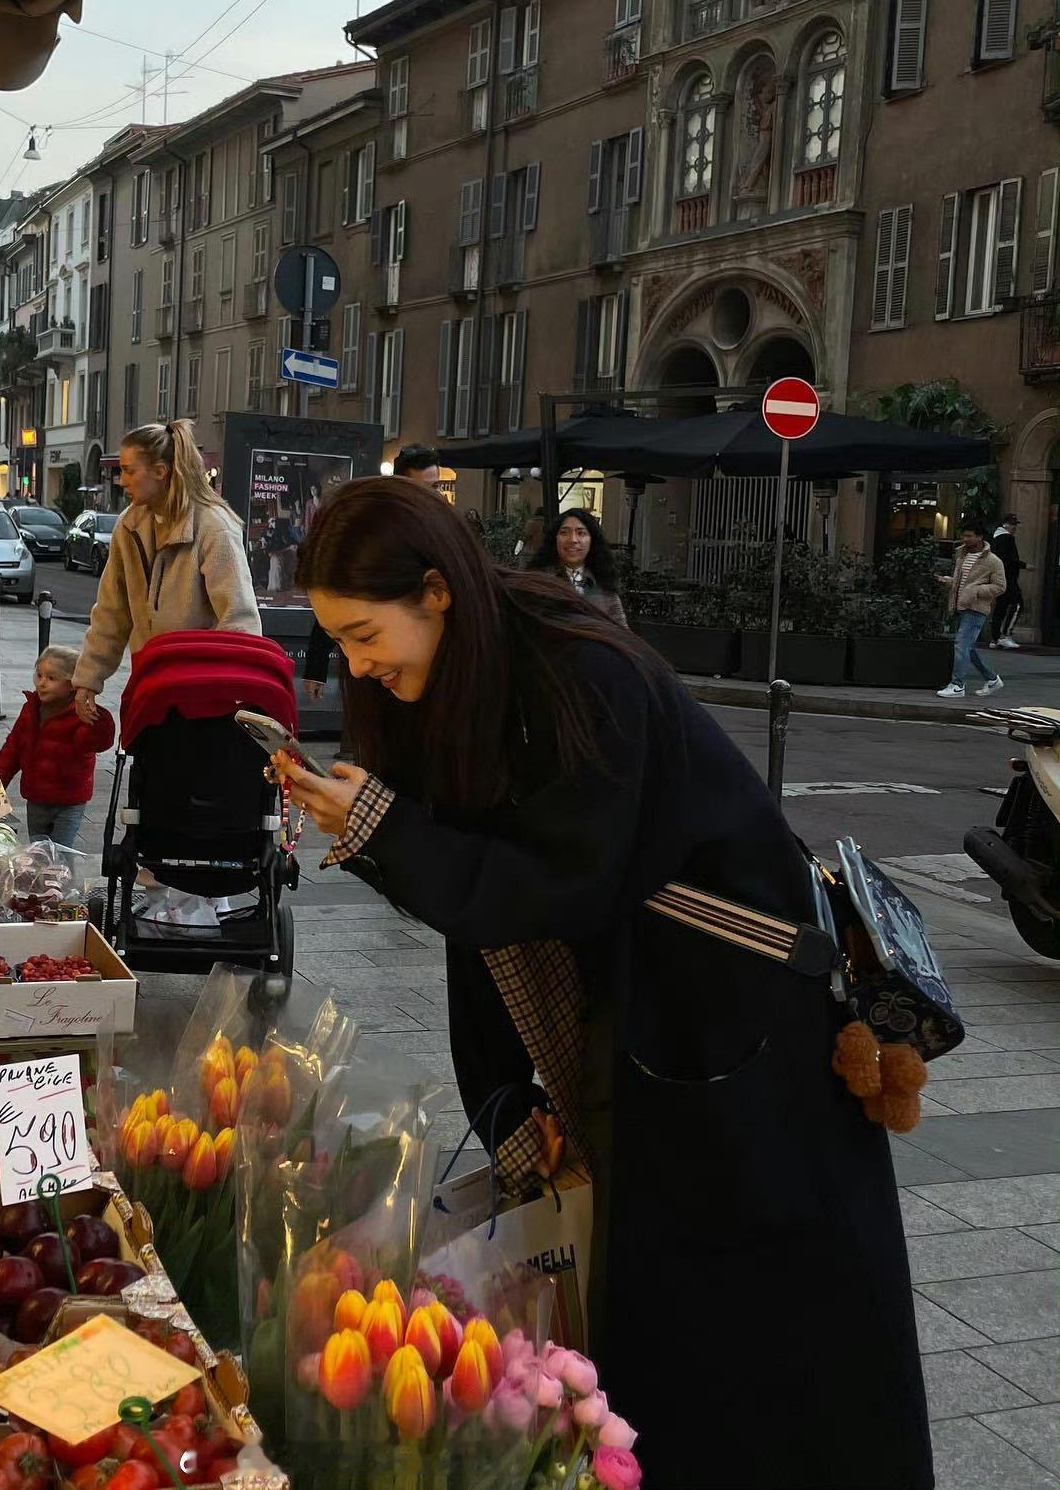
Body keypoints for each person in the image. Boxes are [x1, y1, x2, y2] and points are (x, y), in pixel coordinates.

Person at [272, 478, 932, 1490]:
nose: (357, 665)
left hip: (738, 1034)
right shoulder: (455, 681)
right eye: (341, 643)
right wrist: (504, 1102)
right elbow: (480, 907)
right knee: (659, 1319)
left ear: (437, 593)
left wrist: (388, 832)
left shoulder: (583, 672)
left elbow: (557, 886)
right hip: (646, 1025)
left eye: (366, 634)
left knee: (769, 1333)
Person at [72, 418, 260, 725]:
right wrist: (87, 679)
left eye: (129, 470)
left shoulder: (213, 526)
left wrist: (231, 692)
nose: (122, 480)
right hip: (151, 689)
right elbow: (111, 611)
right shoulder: (129, 525)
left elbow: (239, 618)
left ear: (160, 472)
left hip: (204, 701)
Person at [302, 444, 444, 703]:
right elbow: (337, 607)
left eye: (434, 488)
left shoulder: (448, 540)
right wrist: (316, 669)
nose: (430, 499)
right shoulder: (373, 534)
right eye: (420, 489)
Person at [0, 646, 115, 849]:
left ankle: (63, 881)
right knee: (39, 854)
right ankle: (41, 881)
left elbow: (98, 741)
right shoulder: (30, 709)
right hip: (36, 798)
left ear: (73, 684)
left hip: (68, 801)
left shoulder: (80, 715)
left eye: (52, 678)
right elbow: (10, 753)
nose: (42, 683)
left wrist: (94, 714)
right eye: (39, 675)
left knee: (60, 857)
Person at [935, 520, 1008, 698]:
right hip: (960, 605)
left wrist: (976, 591)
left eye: (969, 536)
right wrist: (948, 581)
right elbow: (963, 581)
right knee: (967, 647)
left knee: (961, 644)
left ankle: (957, 685)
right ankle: (992, 679)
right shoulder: (962, 555)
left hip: (976, 608)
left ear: (980, 537)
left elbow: (1000, 587)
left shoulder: (993, 561)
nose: (965, 539)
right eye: (964, 535)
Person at [529, 508, 627, 625]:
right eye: (564, 532)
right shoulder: (539, 581)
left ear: (592, 540)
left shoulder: (603, 584)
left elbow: (622, 633)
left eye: (581, 533)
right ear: (554, 539)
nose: (573, 540)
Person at [990, 514, 1025, 648]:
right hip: (1008, 579)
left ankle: (995, 638)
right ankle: (1005, 635)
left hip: (999, 578)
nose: (1015, 527)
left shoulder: (996, 538)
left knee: (1001, 607)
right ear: (1005, 524)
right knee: (1017, 604)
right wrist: (1024, 565)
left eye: (1015, 524)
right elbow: (1009, 559)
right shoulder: (1007, 538)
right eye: (1013, 524)